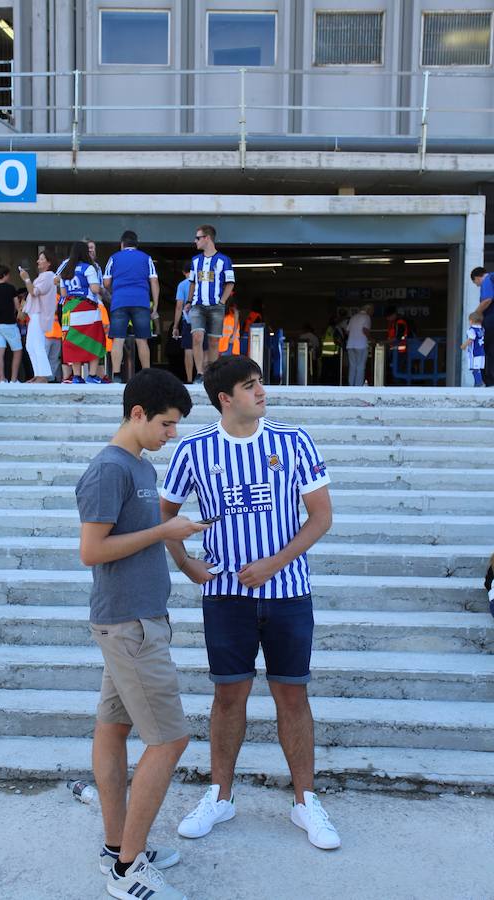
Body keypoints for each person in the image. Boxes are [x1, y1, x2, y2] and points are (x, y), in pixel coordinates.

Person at [161, 355, 341, 851]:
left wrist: (274, 562)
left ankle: (306, 801)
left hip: (288, 595)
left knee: (292, 695)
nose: (261, 391)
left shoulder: (292, 440)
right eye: (250, 385)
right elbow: (166, 517)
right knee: (228, 697)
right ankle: (220, 795)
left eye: (260, 382)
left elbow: (320, 517)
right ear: (225, 398)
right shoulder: (194, 451)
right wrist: (187, 564)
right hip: (224, 598)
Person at [75, 368, 209, 900]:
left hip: (136, 619)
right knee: (170, 738)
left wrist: (181, 551)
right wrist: (166, 530)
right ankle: (128, 869)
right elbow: (92, 551)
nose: (171, 434)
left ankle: (118, 846)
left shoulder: (138, 464)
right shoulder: (110, 470)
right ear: (137, 415)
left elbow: (141, 538)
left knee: (113, 730)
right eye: (167, 424)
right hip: (129, 625)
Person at [104, 231, 159, 383]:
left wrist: (113, 293)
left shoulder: (114, 258)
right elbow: (154, 282)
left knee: (118, 339)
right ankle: (147, 374)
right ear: (136, 243)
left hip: (119, 302)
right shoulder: (146, 258)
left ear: (122, 244)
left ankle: (116, 375)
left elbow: (106, 282)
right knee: (142, 340)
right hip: (141, 302)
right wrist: (155, 306)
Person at [187, 224, 235, 383]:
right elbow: (192, 282)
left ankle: (212, 375)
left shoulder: (224, 260)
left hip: (216, 306)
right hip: (198, 305)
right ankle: (200, 373)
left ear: (207, 238)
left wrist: (222, 301)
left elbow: (230, 283)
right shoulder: (195, 260)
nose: (195, 241)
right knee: (197, 337)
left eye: (198, 238)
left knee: (214, 341)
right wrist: (189, 301)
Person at [59, 242, 106, 385]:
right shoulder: (89, 268)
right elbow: (95, 289)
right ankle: (92, 375)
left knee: (73, 342)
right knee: (96, 339)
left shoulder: (65, 269)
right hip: (86, 307)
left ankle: (77, 376)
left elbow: (63, 293)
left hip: (68, 309)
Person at [19, 250, 59, 384]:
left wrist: (26, 278)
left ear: (49, 263)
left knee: (37, 344)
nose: (38, 261)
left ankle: (43, 376)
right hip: (35, 314)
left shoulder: (48, 276)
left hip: (39, 314)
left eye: (41, 259)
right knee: (31, 345)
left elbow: (34, 292)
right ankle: (38, 374)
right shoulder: (45, 276)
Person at [0, 265, 23, 384]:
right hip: (10, 324)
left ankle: (2, 379)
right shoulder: (11, 288)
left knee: (0, 351)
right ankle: (13, 379)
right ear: (4, 275)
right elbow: (17, 306)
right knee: (17, 351)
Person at [471, 267, 494, 387]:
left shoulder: (487, 280)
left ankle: (490, 380)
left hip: (491, 320)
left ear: (477, 277)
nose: (477, 285)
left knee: (488, 349)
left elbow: (487, 300)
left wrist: (476, 314)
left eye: (476, 283)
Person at [172, 262, 195, 383]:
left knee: (188, 349)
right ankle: (204, 376)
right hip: (203, 319)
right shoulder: (201, 282)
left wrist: (176, 326)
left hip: (188, 320)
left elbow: (179, 306)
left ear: (183, 272)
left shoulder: (182, 285)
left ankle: (190, 379)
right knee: (204, 349)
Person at [346, 304, 373, 387]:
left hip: (350, 345)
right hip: (361, 345)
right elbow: (365, 330)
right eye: (372, 310)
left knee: (352, 366)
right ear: (368, 310)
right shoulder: (366, 317)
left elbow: (347, 331)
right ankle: (358, 387)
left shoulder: (353, 317)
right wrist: (371, 339)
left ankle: (351, 385)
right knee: (360, 367)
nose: (372, 313)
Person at [460, 311, 486, 387]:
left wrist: (464, 345)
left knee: (475, 370)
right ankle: (477, 383)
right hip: (481, 352)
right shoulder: (482, 329)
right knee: (478, 369)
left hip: (474, 353)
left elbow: (471, 339)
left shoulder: (471, 330)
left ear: (471, 321)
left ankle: (479, 383)